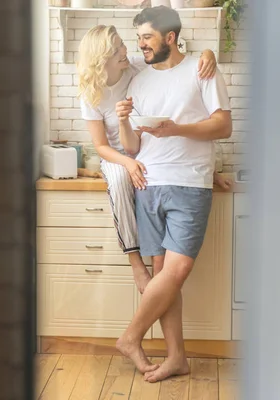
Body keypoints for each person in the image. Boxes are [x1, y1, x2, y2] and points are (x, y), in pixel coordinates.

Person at [76, 25, 231, 360]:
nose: (129, 47)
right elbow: (102, 146)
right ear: (104, 55)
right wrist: (129, 162)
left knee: (170, 273)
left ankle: (139, 341)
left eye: (131, 42)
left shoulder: (135, 68)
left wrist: (207, 54)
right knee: (119, 181)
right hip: (130, 162)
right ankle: (136, 266)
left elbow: (177, 60)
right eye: (120, 45)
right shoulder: (92, 94)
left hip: (155, 164)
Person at [114, 6, 232, 382]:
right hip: (147, 183)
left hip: (189, 182)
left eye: (146, 37)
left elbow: (222, 126)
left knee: (177, 269)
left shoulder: (202, 69)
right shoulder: (138, 80)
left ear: (169, 37)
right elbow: (133, 145)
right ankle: (177, 357)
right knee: (165, 276)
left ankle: (130, 337)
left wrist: (176, 129)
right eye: (138, 39)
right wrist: (121, 122)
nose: (140, 45)